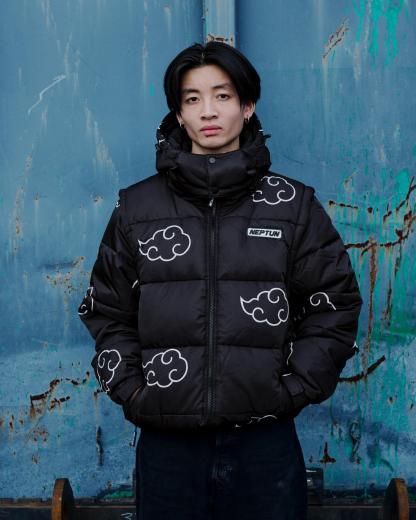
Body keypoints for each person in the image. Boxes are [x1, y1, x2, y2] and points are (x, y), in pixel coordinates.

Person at [78, 41, 362, 519]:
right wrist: (136, 392)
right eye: (192, 99)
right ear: (178, 113)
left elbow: (334, 306)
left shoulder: (292, 206)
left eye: (223, 96)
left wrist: (291, 390)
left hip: (264, 442)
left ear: (247, 106)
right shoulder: (138, 207)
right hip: (168, 446)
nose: (208, 111)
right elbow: (106, 310)